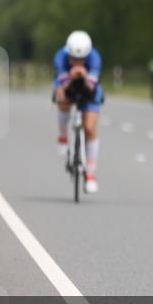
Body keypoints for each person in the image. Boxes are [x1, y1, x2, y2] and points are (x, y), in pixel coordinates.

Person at [52, 31, 103, 193]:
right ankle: (62, 136)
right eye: (73, 59)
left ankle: (90, 175)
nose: (77, 62)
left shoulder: (95, 59)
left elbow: (92, 86)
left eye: (81, 59)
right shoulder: (60, 57)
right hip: (68, 86)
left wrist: (85, 76)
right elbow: (62, 86)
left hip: (89, 89)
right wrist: (71, 78)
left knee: (89, 128)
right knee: (61, 98)